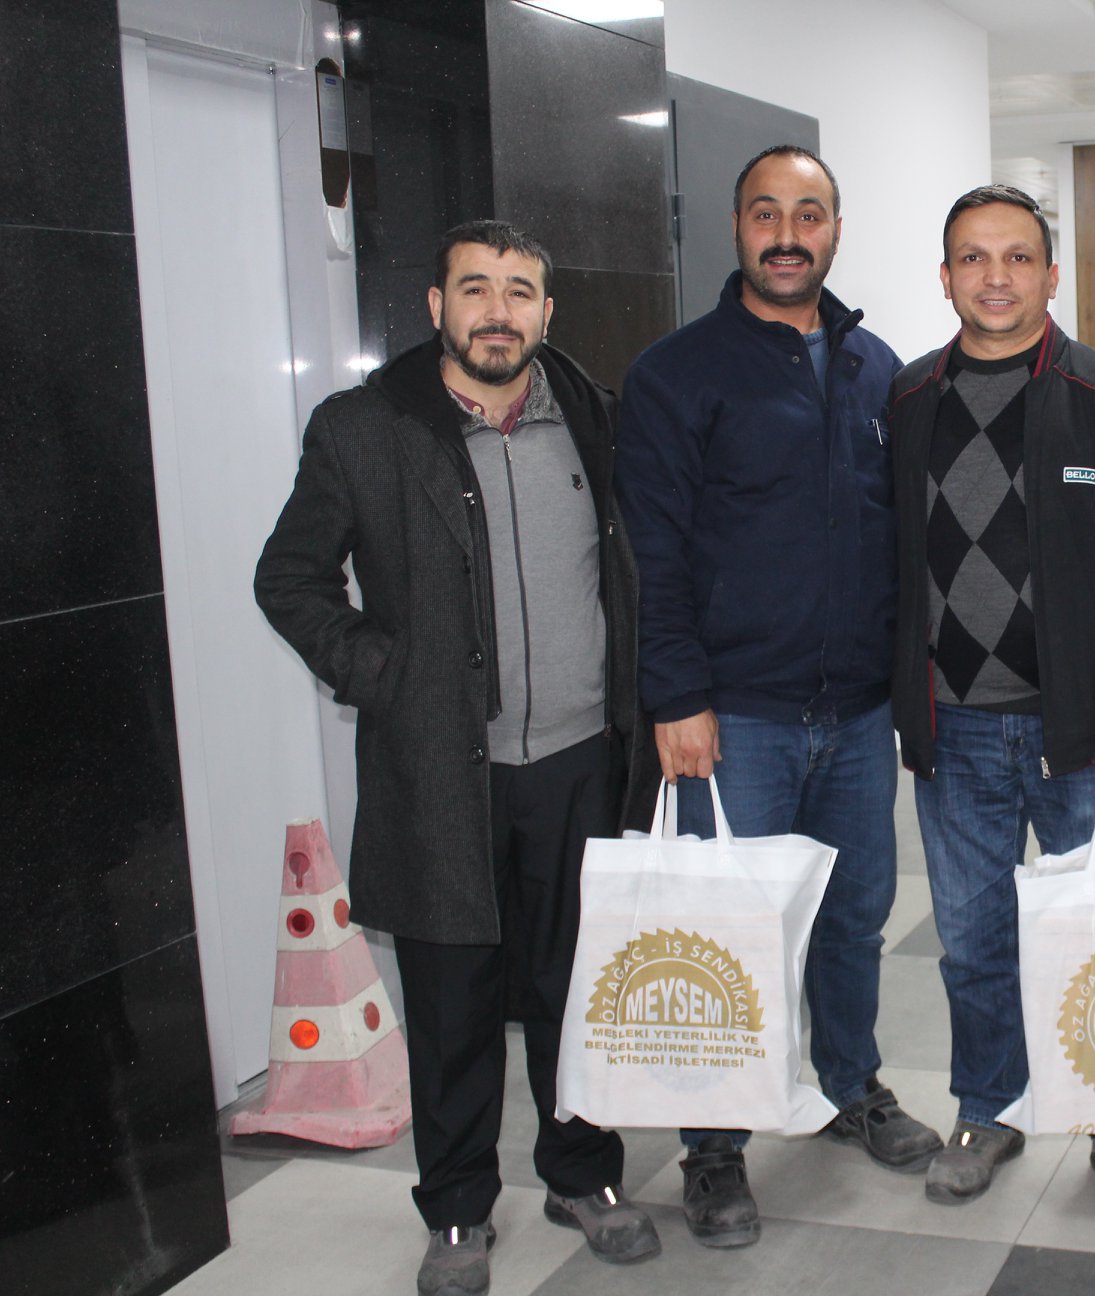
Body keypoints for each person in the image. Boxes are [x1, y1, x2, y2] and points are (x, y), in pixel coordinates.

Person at [255, 220, 658, 1296]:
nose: (497, 312)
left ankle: (582, 1174)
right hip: (442, 771)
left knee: (579, 987)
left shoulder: (595, 417)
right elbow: (289, 578)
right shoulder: (365, 428)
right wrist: (384, 674)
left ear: (546, 311)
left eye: (519, 292)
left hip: (581, 759)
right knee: (452, 1005)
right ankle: (458, 1210)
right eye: (475, 289)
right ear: (436, 306)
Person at [614, 145, 940, 1248]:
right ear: (736, 227)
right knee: (728, 934)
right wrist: (676, 694)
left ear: (835, 230)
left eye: (809, 213)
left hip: (854, 714)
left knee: (852, 919)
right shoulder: (676, 373)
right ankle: (714, 1149)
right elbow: (653, 554)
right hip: (734, 717)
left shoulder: (878, 369)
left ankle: (851, 1086)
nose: (788, 234)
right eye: (767, 213)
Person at [888, 185, 1095, 1223]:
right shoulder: (910, 397)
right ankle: (989, 1109)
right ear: (945, 277)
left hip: (1081, 736)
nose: (996, 276)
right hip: (955, 727)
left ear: (1052, 276)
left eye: (1018, 257)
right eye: (973, 257)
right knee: (973, 941)